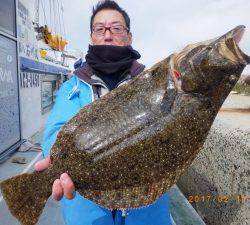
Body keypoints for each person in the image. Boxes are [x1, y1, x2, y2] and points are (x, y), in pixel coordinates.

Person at [34, 1, 172, 224]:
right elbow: (56, 129)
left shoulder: (154, 84)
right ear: (91, 37)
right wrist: (57, 162)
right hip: (87, 212)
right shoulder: (72, 87)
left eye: (116, 28)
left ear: (129, 36)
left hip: (148, 214)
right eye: (100, 29)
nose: (107, 35)